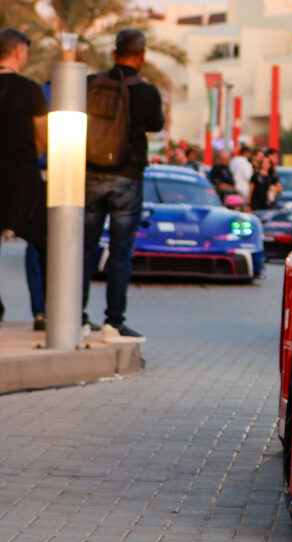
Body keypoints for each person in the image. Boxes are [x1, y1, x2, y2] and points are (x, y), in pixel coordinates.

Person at [82, 28, 164, 343]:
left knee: (85, 249)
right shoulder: (146, 91)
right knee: (120, 253)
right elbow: (156, 125)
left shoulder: (91, 83)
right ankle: (113, 323)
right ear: (141, 56)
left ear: (115, 53)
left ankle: (76, 317)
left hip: (89, 174)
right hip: (127, 178)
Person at [0, 28, 48, 327]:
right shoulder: (30, 89)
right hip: (22, 176)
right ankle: (42, 310)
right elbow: (43, 136)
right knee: (43, 242)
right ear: (18, 52)